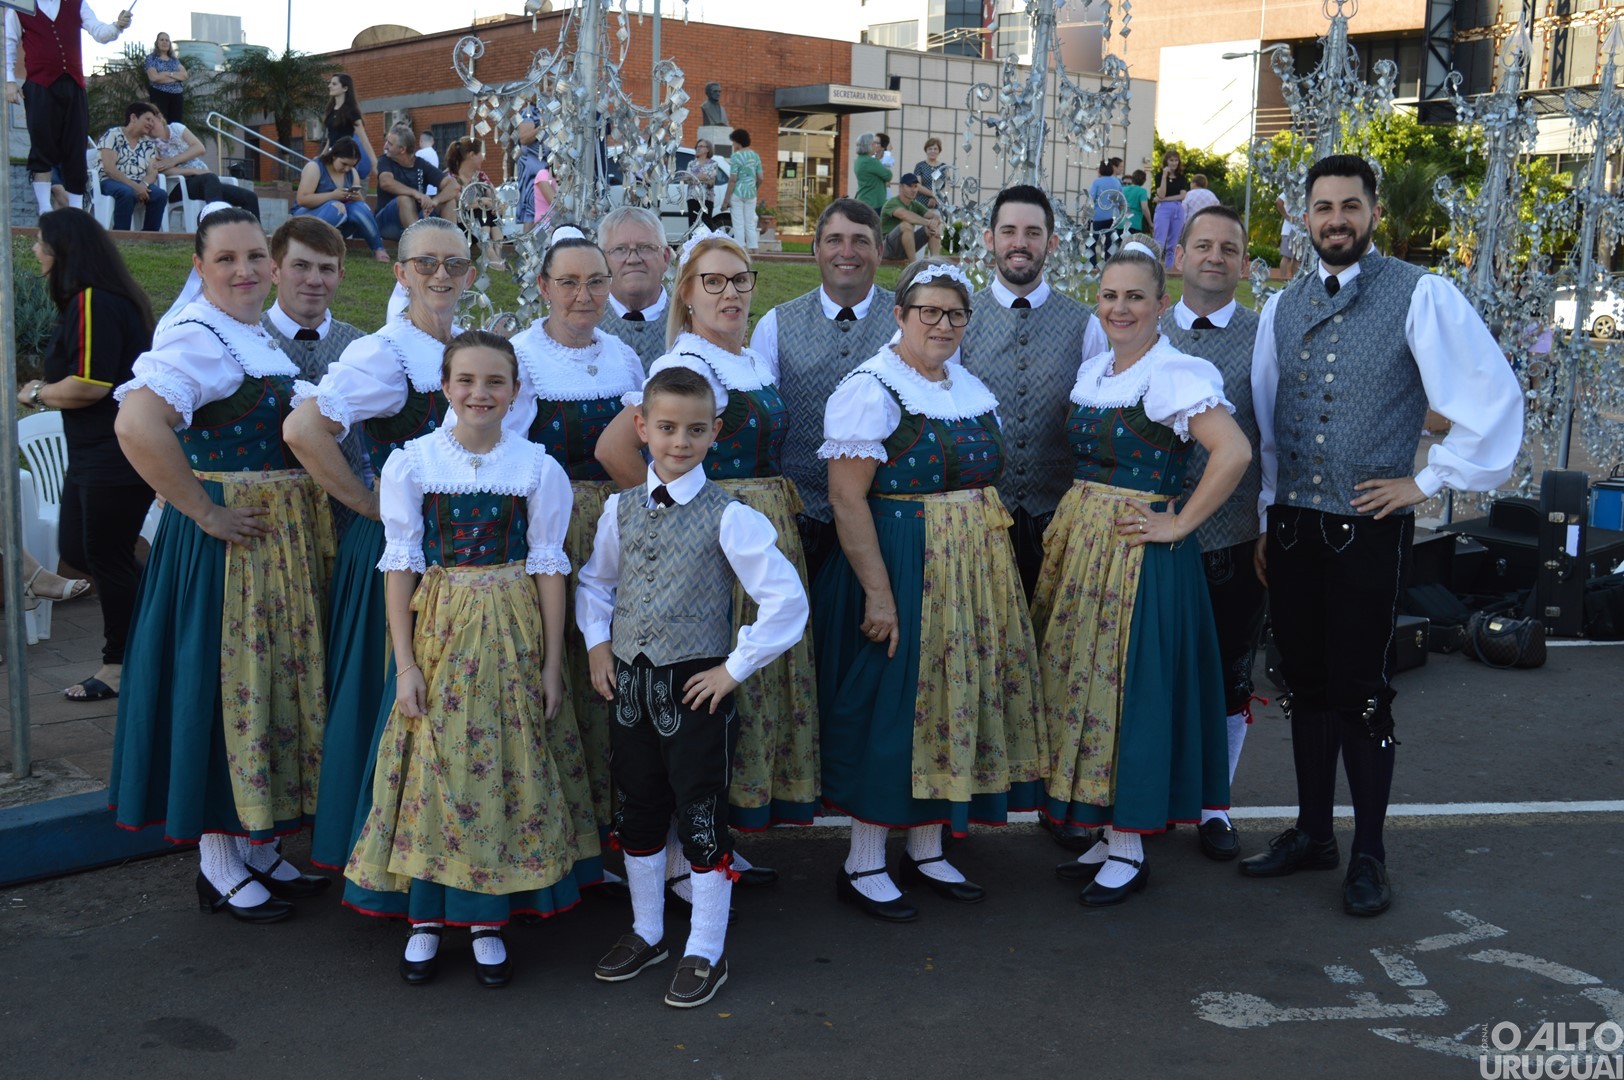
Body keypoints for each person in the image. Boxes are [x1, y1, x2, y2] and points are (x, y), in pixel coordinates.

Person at [1242, 155, 1524, 916]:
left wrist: (1426, 481)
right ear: (1304, 217)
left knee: (1364, 694)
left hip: (1369, 530)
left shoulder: (1421, 292)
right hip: (1296, 526)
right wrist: (1271, 510)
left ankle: (1368, 852)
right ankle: (1311, 833)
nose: (1336, 218)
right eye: (1323, 206)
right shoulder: (1280, 305)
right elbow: (1269, 423)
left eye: (1350, 206)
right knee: (1305, 685)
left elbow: (1491, 396)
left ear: (1372, 214)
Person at [345, 330, 600, 987]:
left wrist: (549, 664)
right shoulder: (414, 462)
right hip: (440, 627)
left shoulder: (537, 468)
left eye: (495, 382)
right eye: (466, 381)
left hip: (513, 626)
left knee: (504, 761)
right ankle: (427, 916)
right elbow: (400, 563)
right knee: (433, 760)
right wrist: (404, 663)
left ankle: (487, 917)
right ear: (446, 386)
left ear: (515, 390)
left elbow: (549, 567)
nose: (480, 393)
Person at [109, 206, 333, 924]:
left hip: (271, 553)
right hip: (227, 556)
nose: (245, 272)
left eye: (254, 258)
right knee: (225, 691)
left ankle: (255, 843)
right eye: (226, 260)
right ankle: (217, 861)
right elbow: (135, 423)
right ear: (200, 268)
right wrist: (203, 511)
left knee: (262, 693)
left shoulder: (247, 336)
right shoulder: (197, 337)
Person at [816, 258, 1045, 922]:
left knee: (951, 700)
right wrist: (879, 594)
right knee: (893, 706)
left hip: (970, 572)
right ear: (900, 316)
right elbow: (846, 497)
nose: (943, 325)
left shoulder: (966, 384)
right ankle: (862, 861)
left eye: (955, 314)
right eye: (929, 313)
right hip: (903, 560)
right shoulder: (872, 389)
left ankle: (925, 845)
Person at [578, 365, 808, 1008]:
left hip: (694, 692)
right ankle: (648, 930)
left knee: (701, 815)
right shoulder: (619, 509)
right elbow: (596, 584)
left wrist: (733, 669)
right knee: (638, 807)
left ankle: (706, 945)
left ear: (715, 434)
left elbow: (786, 602)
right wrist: (599, 644)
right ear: (642, 427)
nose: (680, 442)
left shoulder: (729, 516)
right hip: (628, 688)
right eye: (668, 428)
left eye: (696, 430)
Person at [1037, 235, 1250, 907]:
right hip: (1087, 546)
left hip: (1138, 554)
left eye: (1135, 297)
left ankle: (1129, 846)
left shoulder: (1175, 373)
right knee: (1087, 687)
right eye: (1109, 296)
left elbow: (1234, 451)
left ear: (1162, 303)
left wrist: (1179, 522)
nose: (1120, 308)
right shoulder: (1098, 371)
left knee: (1132, 692)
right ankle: (1106, 831)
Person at [595, 229, 820, 850]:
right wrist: (673, 513)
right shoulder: (683, 364)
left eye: (740, 280)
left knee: (742, 683)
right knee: (693, 694)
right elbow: (616, 448)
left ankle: (715, 842)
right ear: (686, 295)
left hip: (757, 530)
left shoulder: (749, 359)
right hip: (714, 544)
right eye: (712, 282)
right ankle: (683, 852)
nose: (729, 293)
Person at [284, 216, 478, 872]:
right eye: (425, 263)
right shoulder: (386, 353)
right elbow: (304, 430)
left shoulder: (462, 346)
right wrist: (366, 503)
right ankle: (379, 853)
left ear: (470, 275)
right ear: (400, 273)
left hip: (457, 553)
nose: (440, 275)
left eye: (453, 264)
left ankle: (438, 849)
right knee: (393, 694)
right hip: (399, 552)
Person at [507, 227, 647, 844]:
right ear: (543, 288)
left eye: (595, 280)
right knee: (559, 662)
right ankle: (567, 832)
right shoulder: (519, 358)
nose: (583, 294)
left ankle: (624, 825)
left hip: (620, 526)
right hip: (551, 531)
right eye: (568, 282)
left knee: (619, 663)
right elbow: (505, 456)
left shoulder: (624, 356)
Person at [1159, 205, 1265, 863]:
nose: (1215, 256)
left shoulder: (1265, 337)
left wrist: (1269, 525)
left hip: (1234, 537)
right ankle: (1138, 795)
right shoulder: (1141, 327)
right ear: (1179, 258)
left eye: (1229, 248)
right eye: (1202, 245)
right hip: (1151, 538)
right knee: (1150, 674)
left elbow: (1275, 439)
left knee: (1228, 675)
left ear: (1244, 264)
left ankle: (1215, 805)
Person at [19, 208, 153, 702]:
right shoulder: (90, 301)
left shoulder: (95, 301)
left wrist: (35, 393)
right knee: (78, 552)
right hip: (92, 456)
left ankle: (119, 665)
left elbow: (92, 385)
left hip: (114, 456)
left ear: (65, 250)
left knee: (107, 558)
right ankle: (161, 617)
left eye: (41, 243)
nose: (36, 252)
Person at [959, 184, 1109, 598]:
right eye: (1008, 231)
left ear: (1052, 242)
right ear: (990, 239)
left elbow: (1097, 426)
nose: (1019, 243)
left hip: (1059, 515)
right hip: (981, 516)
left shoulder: (1087, 325)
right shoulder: (958, 318)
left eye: (1032, 233)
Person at [749, 198, 895, 578]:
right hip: (803, 517)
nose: (847, 252)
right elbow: (764, 424)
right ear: (815, 249)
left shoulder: (908, 322)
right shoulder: (775, 324)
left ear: (879, 251)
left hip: (887, 518)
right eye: (834, 240)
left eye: (860, 241)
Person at [261, 216, 368, 538]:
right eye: (301, 266)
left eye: (326, 269)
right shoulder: (245, 341)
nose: (314, 279)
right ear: (275, 271)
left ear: (341, 275)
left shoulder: (363, 347)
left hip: (346, 520)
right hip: (268, 525)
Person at [4, 1, 131, 217]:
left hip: (73, 85)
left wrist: (117, 26)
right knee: (41, 145)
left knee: (75, 146)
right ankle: (45, 208)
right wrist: (9, 81)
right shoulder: (19, 6)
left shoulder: (76, 4)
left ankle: (76, 208)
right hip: (40, 85)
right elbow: (8, 43)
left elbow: (99, 32)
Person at [597, 205, 675, 368]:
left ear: (665, 258)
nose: (633, 259)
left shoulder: (690, 321)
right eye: (620, 249)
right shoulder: (586, 324)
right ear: (602, 261)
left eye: (645, 248)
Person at [292, 136, 388, 261]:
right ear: (333, 156)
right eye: (344, 164)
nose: (347, 169)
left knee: (360, 207)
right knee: (335, 207)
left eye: (351, 165)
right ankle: (308, 245)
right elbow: (302, 200)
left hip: (339, 224)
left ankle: (378, 248)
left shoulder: (351, 172)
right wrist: (333, 195)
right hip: (309, 218)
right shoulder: (315, 167)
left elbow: (361, 205)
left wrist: (356, 197)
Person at [153, 115, 262, 219]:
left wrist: (173, 160)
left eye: (151, 120)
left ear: (159, 117)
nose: (149, 125)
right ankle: (217, 224)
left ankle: (255, 236)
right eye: (147, 123)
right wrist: (193, 171)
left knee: (250, 197)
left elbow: (199, 148)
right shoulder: (149, 142)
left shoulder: (176, 128)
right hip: (178, 185)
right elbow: (163, 170)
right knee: (209, 177)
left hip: (204, 181)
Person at [375, 123, 457, 241]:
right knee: (404, 198)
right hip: (388, 224)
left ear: (402, 149)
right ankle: (419, 249)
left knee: (449, 202)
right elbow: (385, 182)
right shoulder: (385, 160)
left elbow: (453, 186)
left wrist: (435, 201)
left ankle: (449, 249)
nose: (385, 146)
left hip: (417, 220)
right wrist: (415, 193)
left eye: (390, 144)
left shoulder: (421, 164)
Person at [97, 100, 165, 232]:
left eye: (153, 121)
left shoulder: (148, 143)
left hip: (139, 183)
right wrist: (134, 186)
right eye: (148, 119)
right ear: (133, 117)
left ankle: (149, 237)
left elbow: (152, 172)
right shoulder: (113, 134)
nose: (151, 124)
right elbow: (109, 169)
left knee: (159, 195)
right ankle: (123, 236)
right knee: (126, 193)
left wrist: (143, 186)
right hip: (110, 181)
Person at [443, 136, 505, 267]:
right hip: (463, 225)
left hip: (480, 225)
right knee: (479, 209)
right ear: (472, 155)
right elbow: (463, 203)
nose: (484, 158)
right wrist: (483, 201)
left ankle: (497, 253)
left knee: (489, 211)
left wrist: (497, 205)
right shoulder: (451, 177)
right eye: (481, 154)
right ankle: (491, 254)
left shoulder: (480, 176)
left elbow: (494, 195)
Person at [323, 73, 376, 181]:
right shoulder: (330, 110)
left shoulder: (352, 112)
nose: (329, 86)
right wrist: (322, 155)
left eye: (334, 84)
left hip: (345, 157)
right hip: (332, 156)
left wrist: (374, 161)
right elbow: (331, 137)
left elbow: (364, 139)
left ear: (345, 88)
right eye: (330, 83)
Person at [719, 128, 763, 253]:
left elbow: (733, 179)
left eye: (733, 142)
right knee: (750, 222)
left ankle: (740, 249)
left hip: (737, 192)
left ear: (738, 142)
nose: (733, 144)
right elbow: (760, 177)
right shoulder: (755, 156)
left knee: (738, 223)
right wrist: (754, 188)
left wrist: (726, 200)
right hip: (751, 193)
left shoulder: (735, 156)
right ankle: (754, 249)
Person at [879, 173, 941, 261]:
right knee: (906, 225)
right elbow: (906, 215)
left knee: (931, 230)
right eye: (909, 186)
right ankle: (913, 266)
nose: (913, 190)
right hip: (887, 249)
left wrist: (935, 223)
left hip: (904, 248)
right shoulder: (892, 203)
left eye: (915, 186)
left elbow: (935, 216)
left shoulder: (915, 205)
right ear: (900, 187)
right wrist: (928, 222)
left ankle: (936, 264)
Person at [513, 107, 549, 233]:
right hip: (532, 168)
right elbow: (524, 138)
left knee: (546, 207)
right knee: (531, 208)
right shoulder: (529, 112)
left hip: (548, 166)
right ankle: (528, 249)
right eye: (548, 87)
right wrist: (543, 127)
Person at [1153, 150, 1190, 270]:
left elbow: (1182, 196)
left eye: (1176, 160)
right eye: (1171, 160)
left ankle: (1170, 267)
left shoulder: (1182, 178)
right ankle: (1154, 266)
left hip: (1177, 209)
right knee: (1160, 239)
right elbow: (1161, 193)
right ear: (1166, 161)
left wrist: (1163, 199)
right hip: (1163, 210)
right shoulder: (1159, 176)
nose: (1174, 163)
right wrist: (1164, 176)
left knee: (1173, 242)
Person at [144, 32, 185, 123]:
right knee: (161, 122)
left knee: (176, 124)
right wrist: (175, 77)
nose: (164, 42)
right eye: (162, 40)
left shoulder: (174, 60)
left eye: (167, 40)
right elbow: (154, 77)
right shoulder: (151, 58)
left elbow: (184, 75)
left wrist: (167, 74)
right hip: (159, 94)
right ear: (157, 43)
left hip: (177, 96)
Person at [684, 138, 724, 231]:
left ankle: (708, 243)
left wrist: (694, 177)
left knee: (706, 222)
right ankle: (693, 244)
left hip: (707, 197)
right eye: (697, 146)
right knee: (693, 223)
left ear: (708, 149)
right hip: (692, 197)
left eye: (701, 146)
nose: (698, 148)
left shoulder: (713, 164)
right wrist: (702, 177)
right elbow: (686, 178)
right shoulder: (691, 163)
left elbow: (711, 181)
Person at [1089, 161, 1124, 265]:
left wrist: (1085, 214)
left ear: (1100, 169)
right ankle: (1108, 264)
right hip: (1113, 217)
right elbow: (1121, 200)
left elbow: (1090, 199)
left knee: (1092, 241)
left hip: (1098, 216)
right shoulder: (1117, 182)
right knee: (1110, 243)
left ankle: (1092, 263)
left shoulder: (1097, 182)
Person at [853, 133, 890, 215]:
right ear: (868, 145)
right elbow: (888, 175)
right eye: (874, 143)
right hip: (875, 203)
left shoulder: (858, 161)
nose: (876, 146)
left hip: (862, 200)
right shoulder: (872, 161)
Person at [911, 137, 950, 207]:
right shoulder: (920, 166)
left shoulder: (944, 167)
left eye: (935, 149)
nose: (933, 151)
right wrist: (934, 195)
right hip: (921, 204)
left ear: (939, 151)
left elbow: (947, 187)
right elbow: (918, 185)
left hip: (939, 204)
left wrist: (935, 198)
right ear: (926, 151)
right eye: (930, 149)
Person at [1277, 193, 1302, 278]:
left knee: (1297, 259)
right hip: (1289, 231)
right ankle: (1283, 280)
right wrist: (1286, 216)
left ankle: (1294, 282)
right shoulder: (1290, 188)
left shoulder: (1305, 190)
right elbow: (1278, 201)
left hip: (1301, 232)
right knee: (1286, 257)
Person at [1122, 169, 1153, 233]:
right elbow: (1144, 208)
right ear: (1144, 180)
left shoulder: (1123, 189)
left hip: (1121, 223)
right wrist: (1150, 223)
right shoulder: (1142, 191)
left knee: (1121, 242)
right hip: (1134, 223)